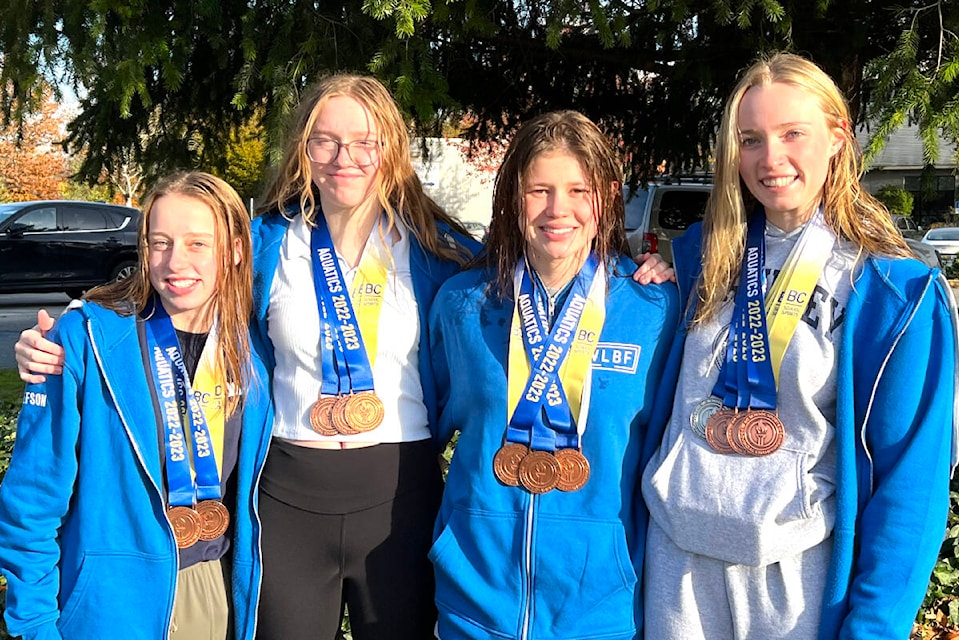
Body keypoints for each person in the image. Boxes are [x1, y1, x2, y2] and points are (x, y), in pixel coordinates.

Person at [12, 76, 674, 639]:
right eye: (325, 140)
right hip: (290, 496)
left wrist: (661, 261)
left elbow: (467, 369)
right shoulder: (266, 242)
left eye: (364, 141)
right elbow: (186, 299)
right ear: (304, 149)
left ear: (390, 149)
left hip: (399, 495)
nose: (344, 158)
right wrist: (71, 331)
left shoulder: (440, 252)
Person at [641, 52, 959, 639]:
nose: (771, 159)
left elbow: (912, 484)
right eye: (751, 139)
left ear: (838, 137)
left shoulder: (897, 294)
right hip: (676, 568)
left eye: (793, 134)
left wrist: (874, 627)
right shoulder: (694, 263)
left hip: (796, 585)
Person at [427, 110, 679, 639]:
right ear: (513, 198)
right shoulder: (462, 306)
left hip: (599, 608)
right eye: (538, 190)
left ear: (608, 196)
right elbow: (422, 428)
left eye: (577, 190)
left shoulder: (653, 310)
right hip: (475, 602)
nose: (557, 209)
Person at [0, 172, 273, 639]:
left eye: (197, 244)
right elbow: (32, 501)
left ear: (234, 250)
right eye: (160, 242)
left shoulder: (258, 349)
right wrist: (34, 623)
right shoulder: (85, 341)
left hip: (215, 587)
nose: (174, 261)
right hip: (110, 600)